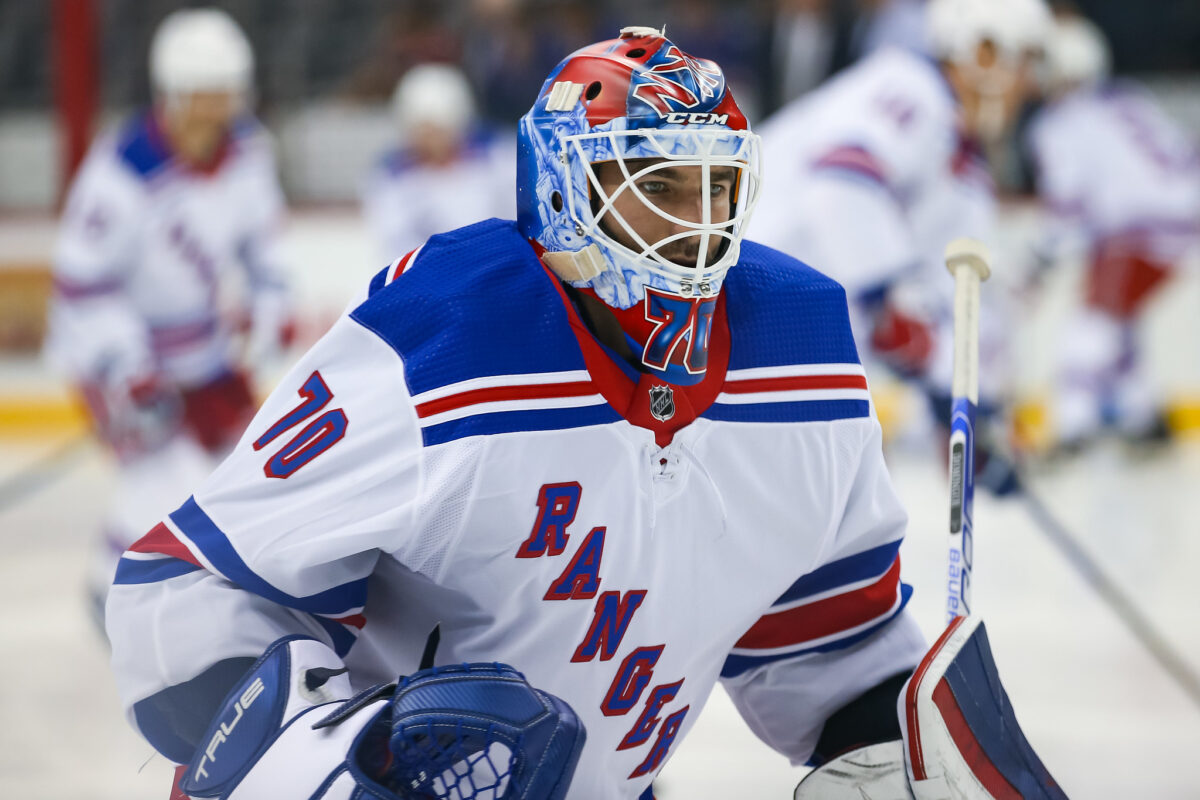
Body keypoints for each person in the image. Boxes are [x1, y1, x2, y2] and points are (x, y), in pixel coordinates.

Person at [106, 26, 1059, 800]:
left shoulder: (798, 351)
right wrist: (323, 767)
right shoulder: (456, 333)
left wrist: (911, 753)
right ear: (569, 189)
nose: (699, 221)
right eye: (659, 185)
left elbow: (828, 655)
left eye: (715, 185)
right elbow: (177, 594)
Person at [45, 8, 293, 617]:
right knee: (164, 483)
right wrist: (128, 367)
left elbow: (266, 253)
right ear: (172, 95)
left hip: (201, 356)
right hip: (118, 362)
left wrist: (268, 310)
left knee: (243, 474)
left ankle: (213, 605)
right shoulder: (122, 173)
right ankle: (112, 596)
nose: (211, 114)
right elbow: (82, 285)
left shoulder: (250, 154)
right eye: (199, 97)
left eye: (223, 97)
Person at [750, 0, 1052, 491]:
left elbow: (943, 307)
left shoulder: (966, 180)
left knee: (844, 498)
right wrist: (889, 300)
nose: (1030, 83)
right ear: (980, 51)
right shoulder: (909, 87)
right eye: (1023, 59)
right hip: (732, 298)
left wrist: (967, 414)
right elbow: (841, 186)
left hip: (788, 332)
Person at [1025, 10, 1200, 451]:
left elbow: (1066, 212)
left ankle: (1071, 427)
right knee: (1120, 316)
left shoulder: (1059, 124)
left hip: (1141, 229)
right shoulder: (1129, 97)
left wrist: (1038, 264)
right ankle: (1140, 416)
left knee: (1092, 321)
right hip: (1180, 220)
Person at [360, 63, 515, 261]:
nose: (428, 139)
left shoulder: (498, 161)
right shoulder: (391, 181)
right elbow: (393, 246)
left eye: (436, 129)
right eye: (421, 129)